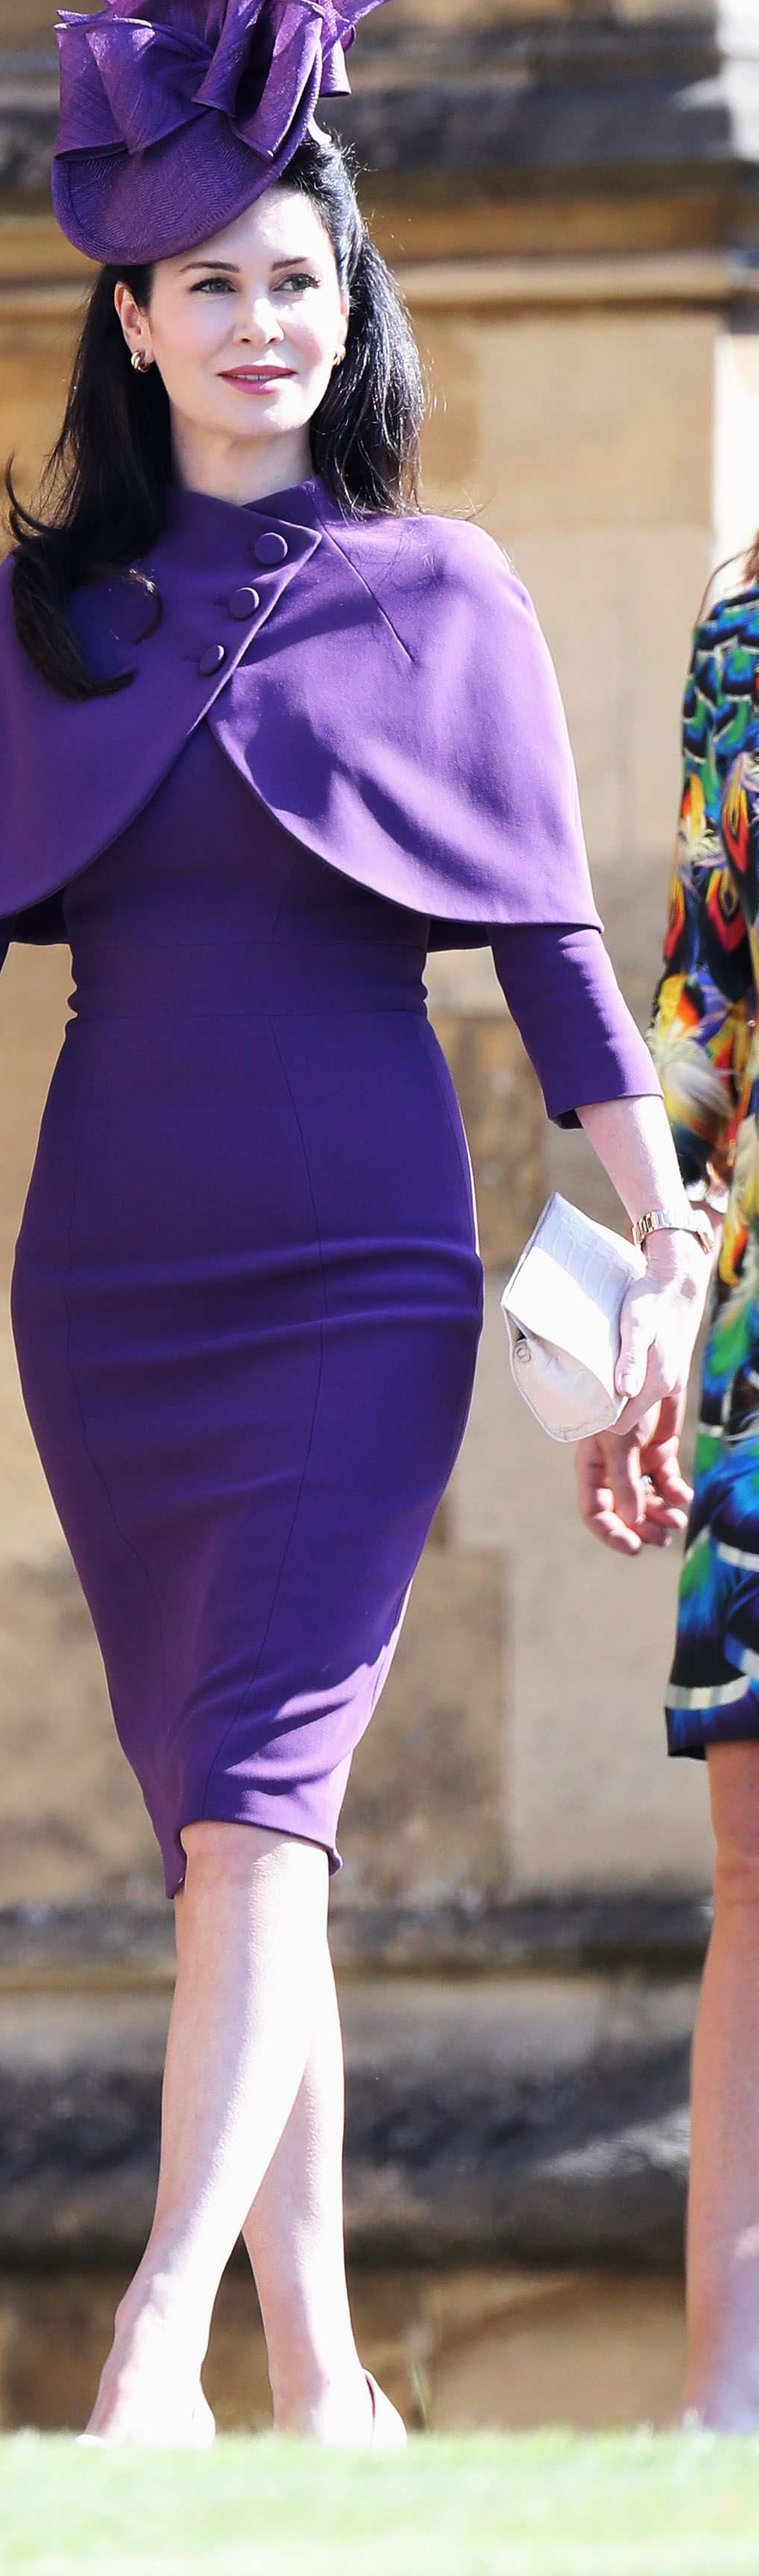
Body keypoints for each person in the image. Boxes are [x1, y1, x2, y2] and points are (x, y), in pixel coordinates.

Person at [0, 0, 710, 2445]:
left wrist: (669, 1226)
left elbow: (549, 961)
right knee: (227, 1832)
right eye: (206, 283)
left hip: (358, 1275)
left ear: (342, 297)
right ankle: (323, 2368)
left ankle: (151, 2333)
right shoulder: (46, 613)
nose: (257, 318)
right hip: (116, 1279)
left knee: (260, 1820)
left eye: (294, 276)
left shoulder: (451, 594)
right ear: (133, 318)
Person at [578, 521, 759, 2431]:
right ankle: (729, 2414)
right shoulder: (748, 617)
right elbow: (704, 999)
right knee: (755, 1868)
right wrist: (637, 1287)